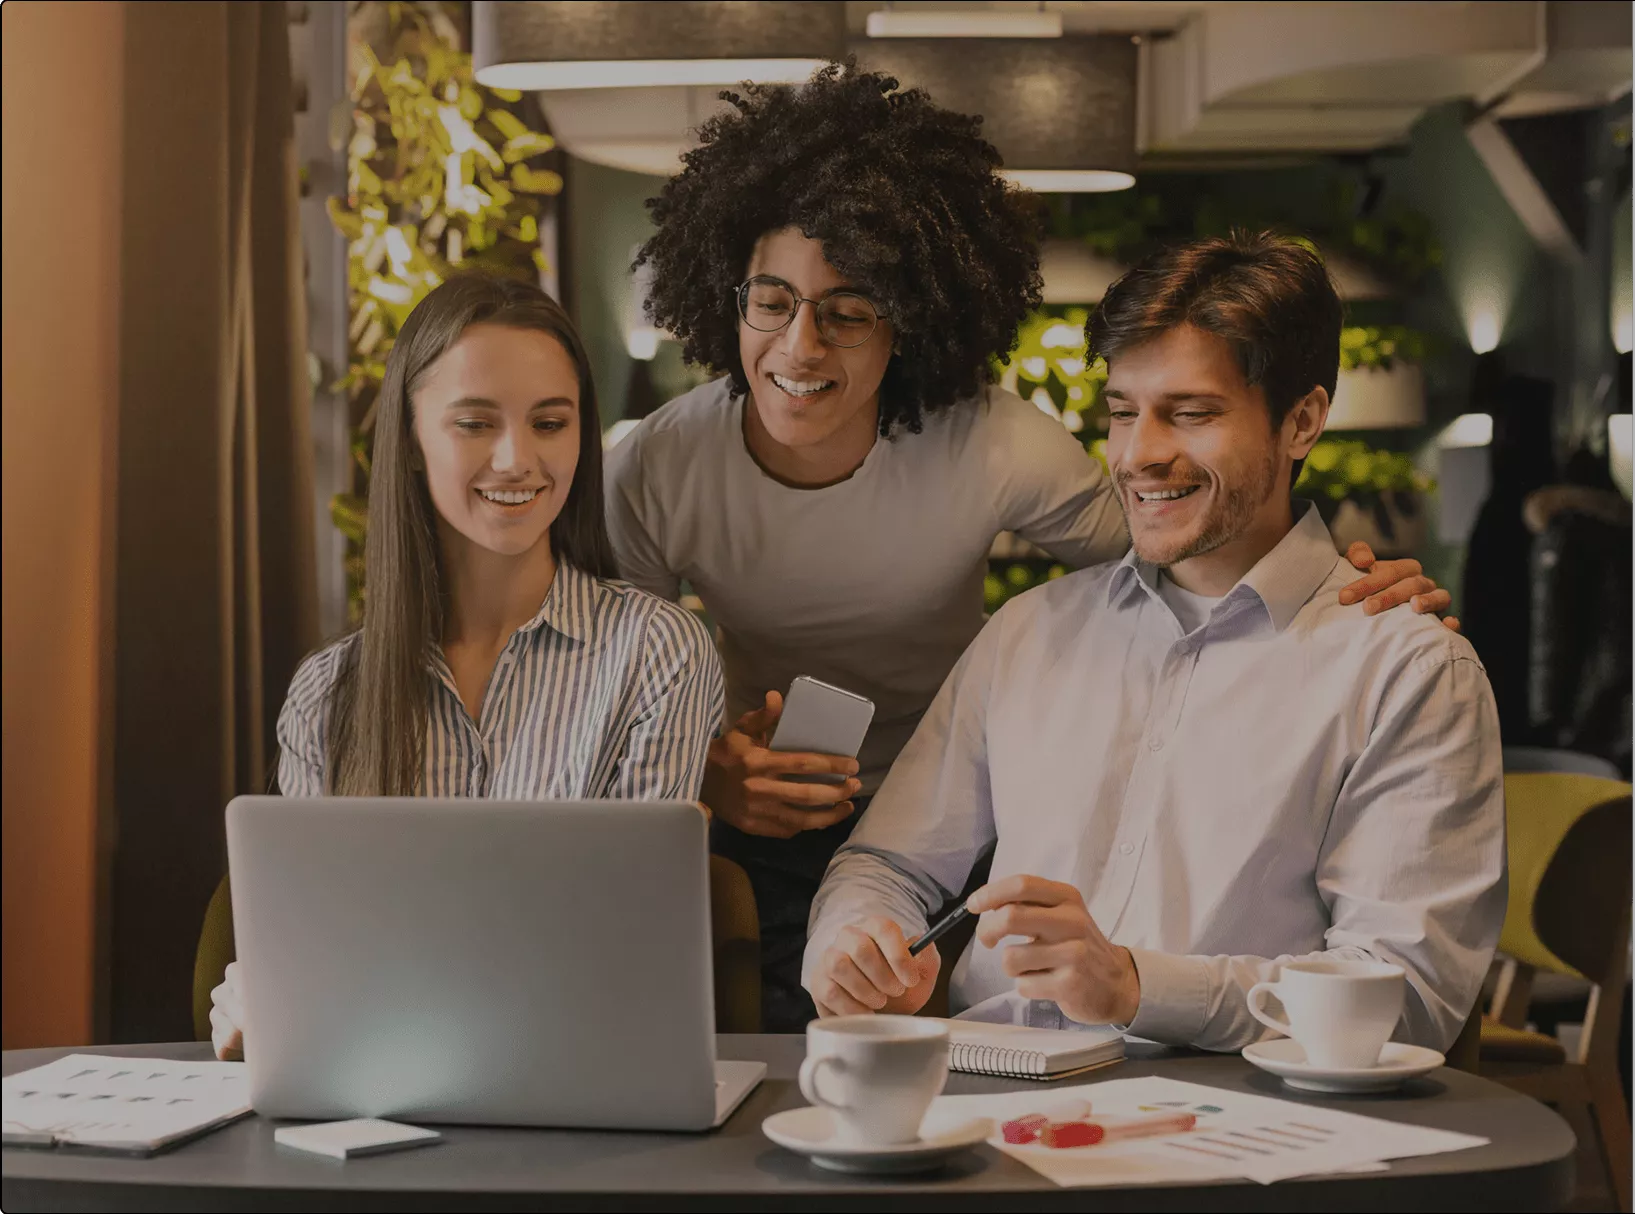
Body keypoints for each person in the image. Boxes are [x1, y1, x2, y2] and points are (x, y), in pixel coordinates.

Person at [606, 64, 1455, 1030]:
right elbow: (618, 685)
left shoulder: (994, 448)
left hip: (950, 808)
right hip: (766, 798)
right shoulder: (659, 466)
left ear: (905, 321)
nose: (801, 346)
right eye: (771, 300)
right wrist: (704, 773)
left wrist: (1336, 586)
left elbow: (1180, 545)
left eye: (847, 310)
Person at [804, 233, 1505, 1054]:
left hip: (1243, 1117)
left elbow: (1404, 998)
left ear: (1302, 422)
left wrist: (1136, 987)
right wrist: (854, 943)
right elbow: (887, 864)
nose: (1138, 455)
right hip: (987, 1097)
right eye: (1122, 412)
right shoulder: (1026, 633)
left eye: (1191, 413)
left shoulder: (1405, 670)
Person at [210, 275, 723, 1058]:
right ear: (410, 442)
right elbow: (311, 943)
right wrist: (265, 997)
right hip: (373, 1085)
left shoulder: (657, 654)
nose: (517, 459)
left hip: (578, 1075)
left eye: (550, 423)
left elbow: (629, 945)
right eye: (475, 424)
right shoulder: (327, 693)